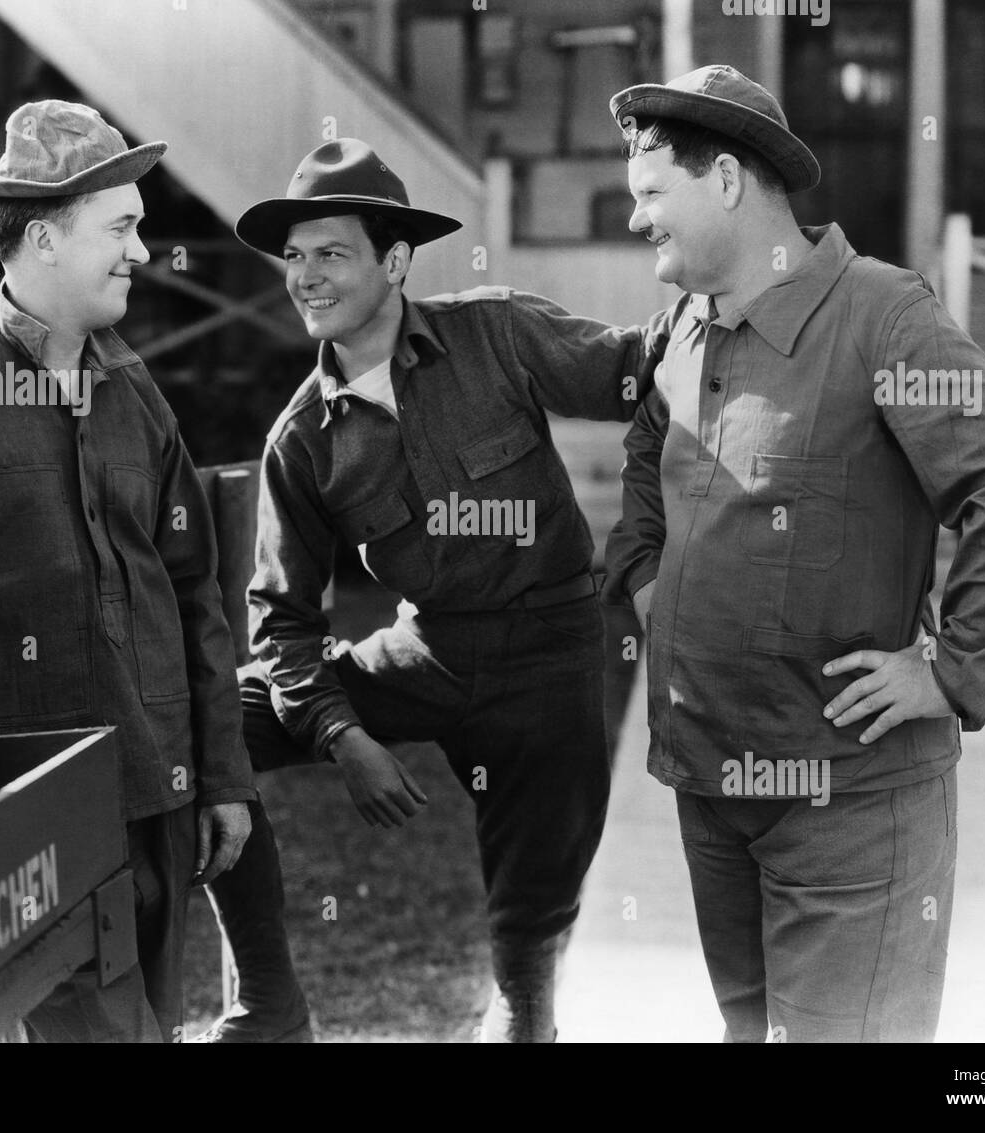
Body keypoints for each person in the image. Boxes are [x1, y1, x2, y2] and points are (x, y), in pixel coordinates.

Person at [603, 65, 985, 1042]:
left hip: (847, 806)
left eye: (650, 193)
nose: (636, 218)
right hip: (708, 783)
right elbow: (649, 449)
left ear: (726, 179)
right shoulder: (685, 327)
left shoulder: (879, 316)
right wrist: (644, 577)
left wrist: (954, 669)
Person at [197, 137, 667, 1043]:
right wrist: (343, 736)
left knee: (533, 917)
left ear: (397, 259)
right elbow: (282, 621)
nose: (305, 277)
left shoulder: (496, 332)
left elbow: (639, 371)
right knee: (209, 721)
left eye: (331, 252)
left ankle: (523, 1011)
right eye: (294, 257)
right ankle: (269, 1004)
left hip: (551, 650)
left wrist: (645, 532)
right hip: (429, 649)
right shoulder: (301, 437)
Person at [0, 100, 256, 1042]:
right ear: (44, 238)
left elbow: (195, 594)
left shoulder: (136, 394)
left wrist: (222, 778)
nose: (144, 251)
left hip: (155, 799)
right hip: (13, 821)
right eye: (122, 228)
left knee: (148, 1020)